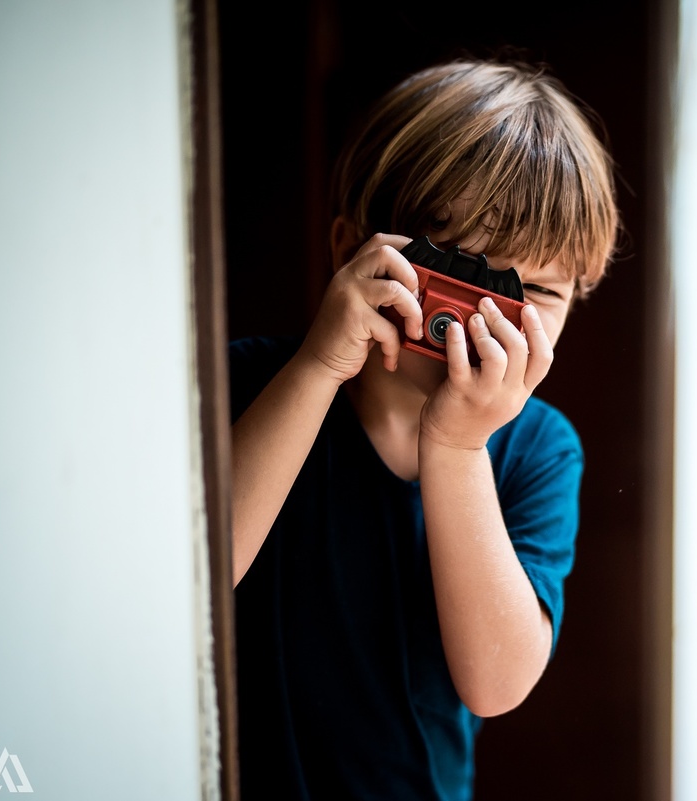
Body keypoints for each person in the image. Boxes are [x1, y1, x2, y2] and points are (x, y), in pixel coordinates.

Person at [227, 58, 619, 800]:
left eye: (536, 291)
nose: (491, 318)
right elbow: (190, 585)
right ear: (353, 250)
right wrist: (318, 366)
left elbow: (496, 683)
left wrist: (458, 443)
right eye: (463, 270)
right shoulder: (256, 386)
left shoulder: (539, 450)